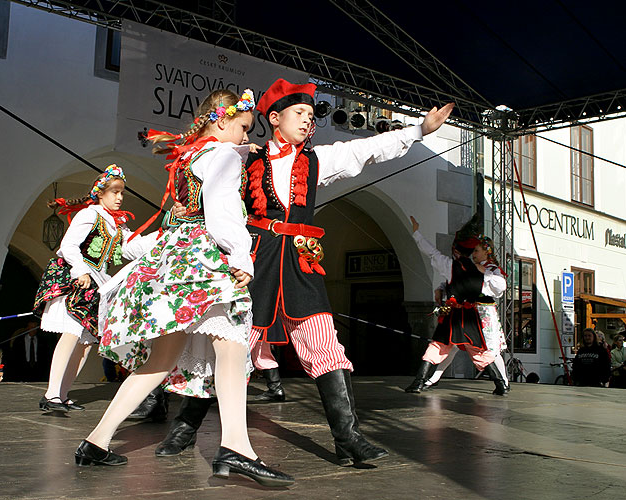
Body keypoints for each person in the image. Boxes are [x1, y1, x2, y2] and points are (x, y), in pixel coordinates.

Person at [157, 78, 454, 467]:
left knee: (324, 344)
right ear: (275, 118)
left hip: (301, 261)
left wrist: (417, 130)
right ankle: (185, 427)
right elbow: (207, 186)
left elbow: (366, 149)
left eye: (311, 115)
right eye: (299, 113)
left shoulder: (317, 160)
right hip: (255, 260)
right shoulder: (246, 157)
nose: (307, 120)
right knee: (232, 348)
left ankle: (348, 437)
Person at [75, 88, 294, 487]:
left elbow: (182, 215)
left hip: (177, 258)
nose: (247, 137)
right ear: (222, 119)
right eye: (244, 128)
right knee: (231, 344)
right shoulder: (224, 155)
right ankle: (236, 448)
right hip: (205, 258)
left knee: (160, 361)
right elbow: (223, 208)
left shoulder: (188, 156)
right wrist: (241, 254)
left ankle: (96, 441)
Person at [32, 165, 154, 412]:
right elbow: (68, 246)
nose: (120, 198)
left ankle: (62, 395)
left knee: (85, 343)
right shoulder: (90, 215)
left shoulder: (116, 224)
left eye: (122, 193)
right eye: (115, 192)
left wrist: (165, 233)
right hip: (75, 279)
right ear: (101, 193)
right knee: (72, 333)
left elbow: (131, 248)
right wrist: (81, 271)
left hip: (96, 282)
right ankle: (51, 394)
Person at [405, 216, 509, 396]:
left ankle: (419, 382)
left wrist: (417, 233)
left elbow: (432, 253)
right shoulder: (481, 271)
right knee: (477, 350)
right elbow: (497, 287)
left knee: (440, 346)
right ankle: (500, 384)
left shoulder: (453, 266)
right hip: (470, 317)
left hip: (458, 316)